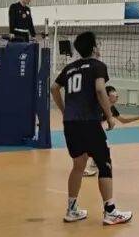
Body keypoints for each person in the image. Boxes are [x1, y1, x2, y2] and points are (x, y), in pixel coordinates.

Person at [51, 31, 132, 226]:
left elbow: (54, 87)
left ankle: (71, 210)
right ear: (94, 48)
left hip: (70, 123)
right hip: (89, 121)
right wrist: (109, 116)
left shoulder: (69, 68)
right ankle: (110, 212)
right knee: (104, 164)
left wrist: (64, 110)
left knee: (78, 165)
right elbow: (100, 89)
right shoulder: (97, 65)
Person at [83, 86, 139, 176]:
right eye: (113, 92)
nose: (116, 95)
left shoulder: (112, 108)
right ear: (107, 96)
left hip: (96, 129)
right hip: (85, 127)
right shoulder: (97, 106)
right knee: (88, 147)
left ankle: (95, 161)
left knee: (101, 145)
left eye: (116, 93)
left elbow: (123, 120)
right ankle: (83, 169)